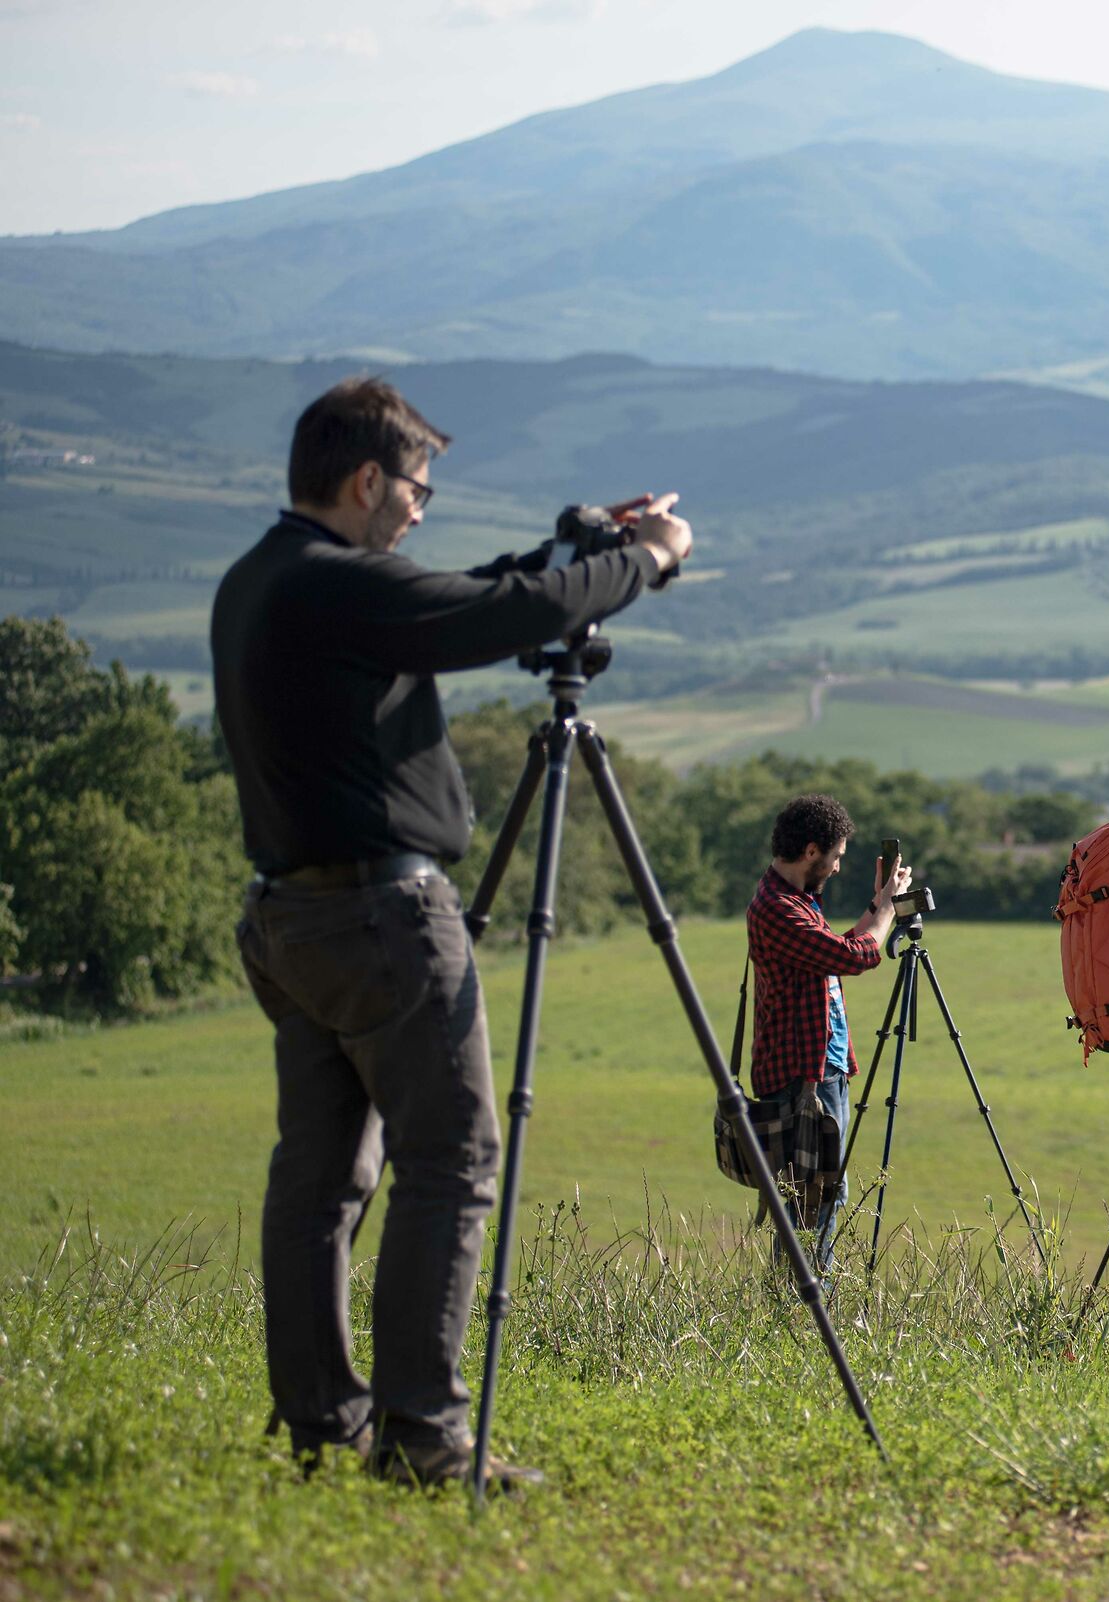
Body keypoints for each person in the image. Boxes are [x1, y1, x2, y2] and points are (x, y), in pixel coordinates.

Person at [211, 377, 692, 1489]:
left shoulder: (268, 579)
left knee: (320, 1179)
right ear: (367, 480)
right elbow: (480, 620)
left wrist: (567, 548)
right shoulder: (329, 584)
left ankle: (323, 1426)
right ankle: (426, 1439)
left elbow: (443, 601)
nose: (422, 507)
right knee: (453, 1162)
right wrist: (645, 561)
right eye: (417, 488)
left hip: (293, 917)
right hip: (382, 916)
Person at [745, 794, 913, 1267]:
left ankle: (806, 1305)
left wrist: (880, 905)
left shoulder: (797, 901)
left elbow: (835, 947)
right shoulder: (777, 908)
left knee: (820, 1197)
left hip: (821, 1069)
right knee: (811, 1202)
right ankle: (806, 1308)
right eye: (837, 857)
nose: (839, 868)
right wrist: (887, 910)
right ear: (813, 851)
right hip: (802, 1078)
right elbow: (856, 956)